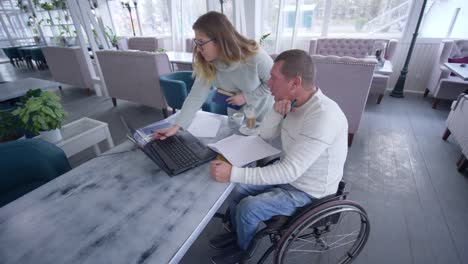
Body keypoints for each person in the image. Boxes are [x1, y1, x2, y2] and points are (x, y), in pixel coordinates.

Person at [209, 49, 349, 263]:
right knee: (237, 191)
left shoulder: (323, 116)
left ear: (295, 83)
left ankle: (243, 251)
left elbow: (289, 171)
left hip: (309, 191)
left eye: (274, 78)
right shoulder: (294, 102)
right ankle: (238, 235)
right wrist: (276, 111)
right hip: (291, 177)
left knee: (248, 207)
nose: (269, 83)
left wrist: (233, 172)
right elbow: (265, 135)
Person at [153, 11, 274, 140]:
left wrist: (247, 97)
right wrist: (176, 126)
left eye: (201, 42)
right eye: (196, 42)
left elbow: (273, 85)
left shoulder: (256, 57)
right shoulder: (208, 62)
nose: (198, 49)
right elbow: (196, 97)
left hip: (264, 115)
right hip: (238, 116)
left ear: (220, 39)